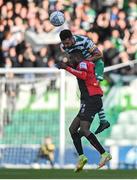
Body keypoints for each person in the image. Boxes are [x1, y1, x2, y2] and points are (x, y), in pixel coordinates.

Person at [57, 49, 112, 172]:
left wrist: (66, 67)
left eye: (71, 58)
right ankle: (81, 157)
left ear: (77, 57)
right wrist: (64, 66)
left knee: (84, 129)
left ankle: (104, 154)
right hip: (89, 100)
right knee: (72, 129)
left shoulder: (82, 63)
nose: (70, 61)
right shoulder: (84, 64)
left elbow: (83, 75)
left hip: (91, 100)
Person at [59, 29, 110, 134]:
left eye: (68, 43)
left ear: (72, 38)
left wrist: (85, 62)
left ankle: (103, 121)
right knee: (87, 93)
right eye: (64, 44)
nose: (66, 46)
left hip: (95, 65)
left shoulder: (84, 40)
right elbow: (73, 58)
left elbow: (99, 54)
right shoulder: (65, 46)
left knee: (94, 92)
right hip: (84, 69)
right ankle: (102, 121)